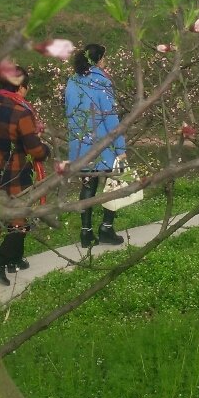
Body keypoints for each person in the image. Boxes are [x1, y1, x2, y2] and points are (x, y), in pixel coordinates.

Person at [0, 66, 50, 285]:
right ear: (19, 86)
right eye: (25, 87)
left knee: (10, 214)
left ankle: (15, 259)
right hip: (18, 169)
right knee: (19, 219)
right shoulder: (21, 112)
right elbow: (34, 149)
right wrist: (45, 149)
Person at [64, 43, 126, 248]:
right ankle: (107, 227)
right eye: (104, 58)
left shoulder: (72, 81)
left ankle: (86, 232)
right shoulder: (101, 82)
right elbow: (110, 117)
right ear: (98, 60)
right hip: (103, 145)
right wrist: (121, 148)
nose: (105, 62)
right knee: (115, 183)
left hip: (80, 145)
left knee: (87, 187)